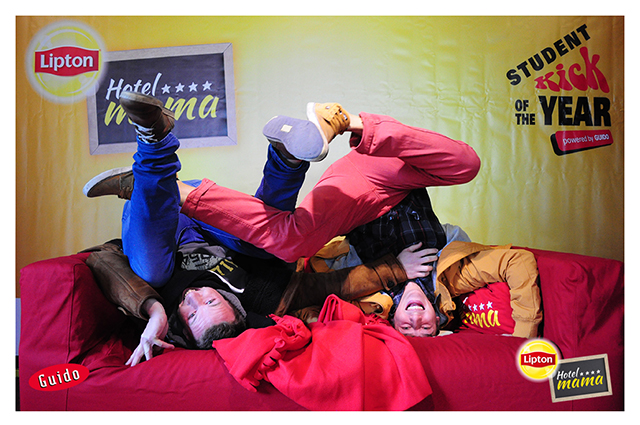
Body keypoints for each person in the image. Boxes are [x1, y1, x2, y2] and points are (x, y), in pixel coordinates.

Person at [83, 91, 438, 365]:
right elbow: (333, 285)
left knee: (151, 272)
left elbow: (100, 259)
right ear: (235, 305)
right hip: (202, 209)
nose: (194, 296)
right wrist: (395, 269)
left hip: (160, 225)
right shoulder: (267, 298)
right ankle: (287, 156)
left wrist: (153, 309)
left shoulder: (157, 317)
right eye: (212, 300)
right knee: (272, 243)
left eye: (190, 311)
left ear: (180, 328)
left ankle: (151, 158)